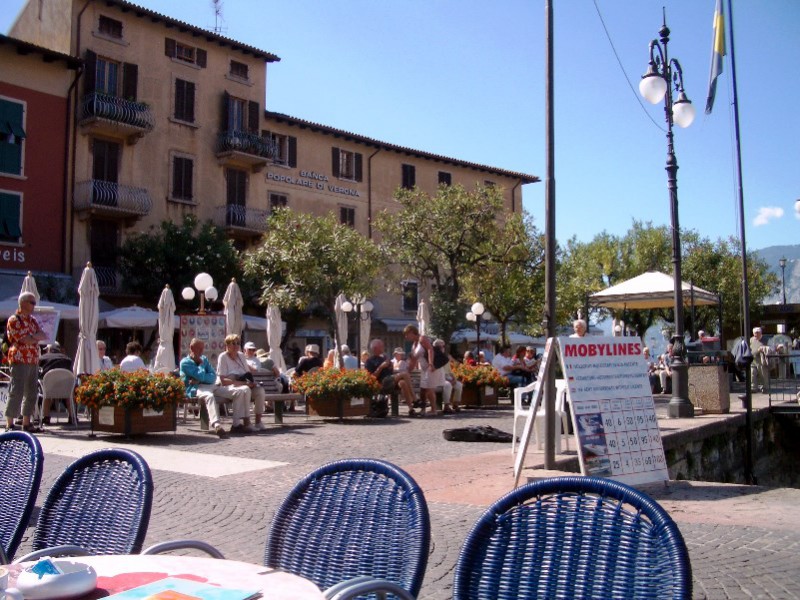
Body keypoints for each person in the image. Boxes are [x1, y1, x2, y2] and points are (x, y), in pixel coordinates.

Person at [5, 292, 47, 432]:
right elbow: (23, 339)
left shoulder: (33, 320)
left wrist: (31, 337)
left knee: (31, 392)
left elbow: (43, 335)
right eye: (32, 302)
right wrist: (34, 337)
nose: (34, 305)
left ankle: (26, 422)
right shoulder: (14, 319)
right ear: (23, 303)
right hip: (19, 358)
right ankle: (10, 424)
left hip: (33, 359)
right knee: (16, 390)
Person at [217, 334, 265, 433]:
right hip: (231, 385)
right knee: (245, 389)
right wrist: (243, 383)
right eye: (233, 343)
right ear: (227, 345)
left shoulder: (241, 356)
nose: (236, 346)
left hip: (243, 383)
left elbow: (247, 372)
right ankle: (247, 422)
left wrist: (251, 382)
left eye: (238, 343)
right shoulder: (223, 357)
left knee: (260, 391)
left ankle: (258, 421)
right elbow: (223, 380)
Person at [179, 338, 227, 438]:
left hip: (209, 385)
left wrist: (199, 378)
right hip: (195, 388)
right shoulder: (185, 363)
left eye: (202, 349)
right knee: (209, 396)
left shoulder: (204, 359)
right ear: (192, 348)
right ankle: (216, 425)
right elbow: (200, 376)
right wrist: (201, 366)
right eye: (199, 349)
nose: (202, 351)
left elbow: (213, 377)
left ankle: (238, 424)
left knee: (236, 392)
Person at [364, 338, 419, 417]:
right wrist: (381, 367)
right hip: (381, 383)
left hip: (390, 381)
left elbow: (391, 372)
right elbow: (372, 377)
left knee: (403, 383)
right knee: (405, 374)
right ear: (375, 348)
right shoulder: (370, 361)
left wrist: (390, 366)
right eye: (381, 346)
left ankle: (411, 409)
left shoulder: (384, 358)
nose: (383, 348)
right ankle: (415, 399)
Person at [404, 324, 444, 416]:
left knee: (429, 388)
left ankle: (433, 410)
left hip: (431, 367)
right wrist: (408, 371)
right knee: (423, 390)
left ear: (412, 332)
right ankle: (423, 409)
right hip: (424, 369)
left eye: (407, 334)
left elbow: (430, 350)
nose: (406, 337)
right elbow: (414, 360)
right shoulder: (414, 345)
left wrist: (431, 363)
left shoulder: (422, 339)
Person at [39, 342, 76, 425]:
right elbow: (72, 374)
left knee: (46, 393)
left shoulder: (42, 358)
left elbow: (39, 374)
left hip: (49, 390)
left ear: (49, 349)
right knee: (69, 394)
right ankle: (72, 417)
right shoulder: (67, 359)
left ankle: (46, 417)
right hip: (65, 390)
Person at [434, 339, 461, 414]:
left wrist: (454, 378)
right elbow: (437, 372)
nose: (442, 348)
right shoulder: (434, 357)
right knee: (448, 385)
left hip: (447, 377)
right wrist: (448, 380)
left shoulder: (445, 357)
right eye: (440, 347)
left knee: (459, 385)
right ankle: (446, 405)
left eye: (443, 346)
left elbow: (449, 371)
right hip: (438, 379)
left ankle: (455, 403)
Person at [750, 327, 770, 393]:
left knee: (763, 375)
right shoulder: (751, 340)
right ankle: (753, 387)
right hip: (753, 360)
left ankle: (765, 387)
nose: (756, 334)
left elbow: (770, 348)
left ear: (760, 333)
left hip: (761, 360)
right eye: (755, 333)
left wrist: (764, 349)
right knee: (752, 374)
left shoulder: (766, 340)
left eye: (757, 333)